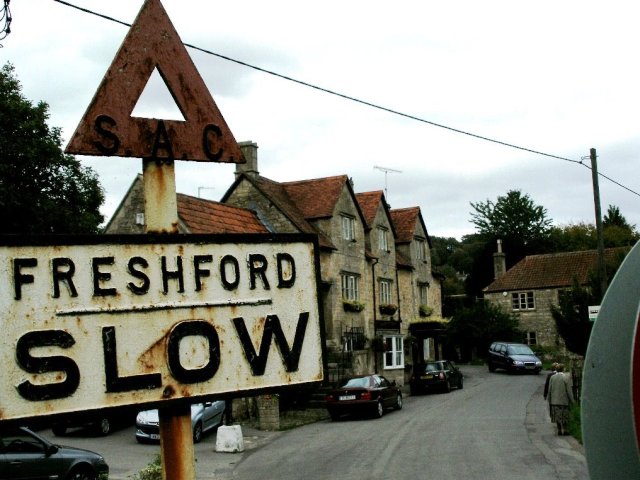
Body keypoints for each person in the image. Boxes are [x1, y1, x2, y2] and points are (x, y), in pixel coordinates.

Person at [547, 363, 574, 435]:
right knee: (564, 416)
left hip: (554, 400)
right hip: (563, 400)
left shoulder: (552, 377)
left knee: (557, 416)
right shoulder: (566, 377)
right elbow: (569, 390)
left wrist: (549, 399)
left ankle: (559, 430)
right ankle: (565, 430)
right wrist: (572, 400)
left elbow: (550, 389)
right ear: (563, 369)